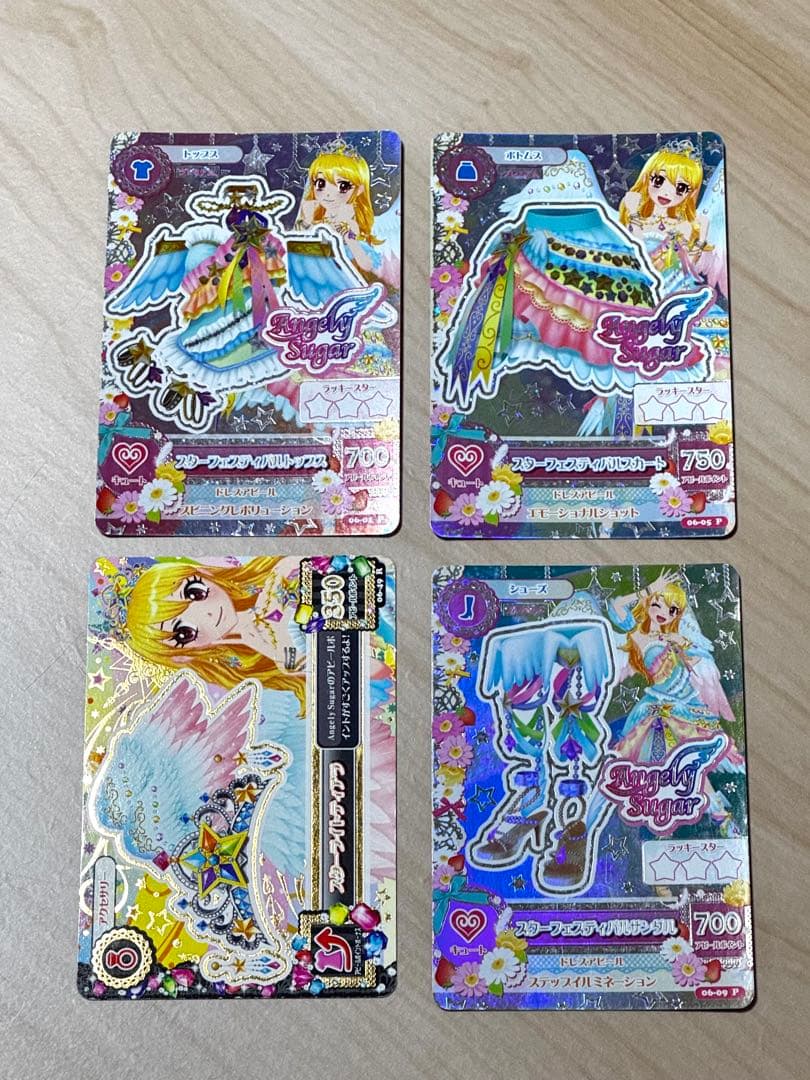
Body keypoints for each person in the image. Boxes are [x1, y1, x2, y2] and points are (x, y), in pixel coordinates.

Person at [126, 556, 306, 711]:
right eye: (185, 632)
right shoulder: (264, 667)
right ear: (183, 656)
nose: (207, 614)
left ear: (204, 573)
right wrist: (279, 653)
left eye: (195, 593)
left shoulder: (281, 572)